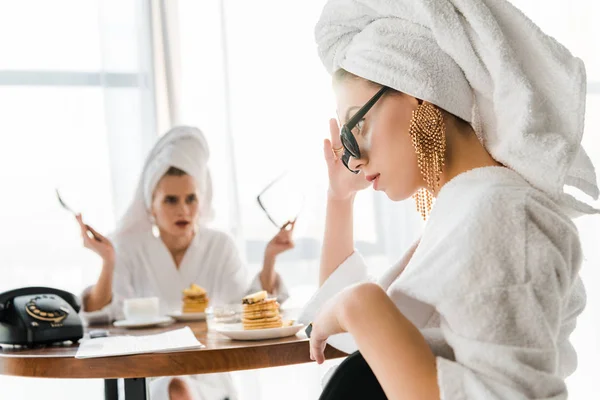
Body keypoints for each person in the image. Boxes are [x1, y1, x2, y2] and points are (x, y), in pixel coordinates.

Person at [298, 0, 599, 398]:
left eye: (356, 126)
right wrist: (340, 200)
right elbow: (345, 331)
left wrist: (360, 304)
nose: (353, 157)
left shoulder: (504, 212)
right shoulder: (469, 209)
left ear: (416, 91)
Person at [78, 126, 295, 400]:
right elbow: (101, 317)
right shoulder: (129, 249)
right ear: (151, 206)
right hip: (150, 370)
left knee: (182, 387)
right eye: (171, 200)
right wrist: (108, 263)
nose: (184, 210)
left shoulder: (220, 245)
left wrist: (269, 258)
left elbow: (246, 310)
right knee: (174, 387)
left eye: (191, 198)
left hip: (209, 371)